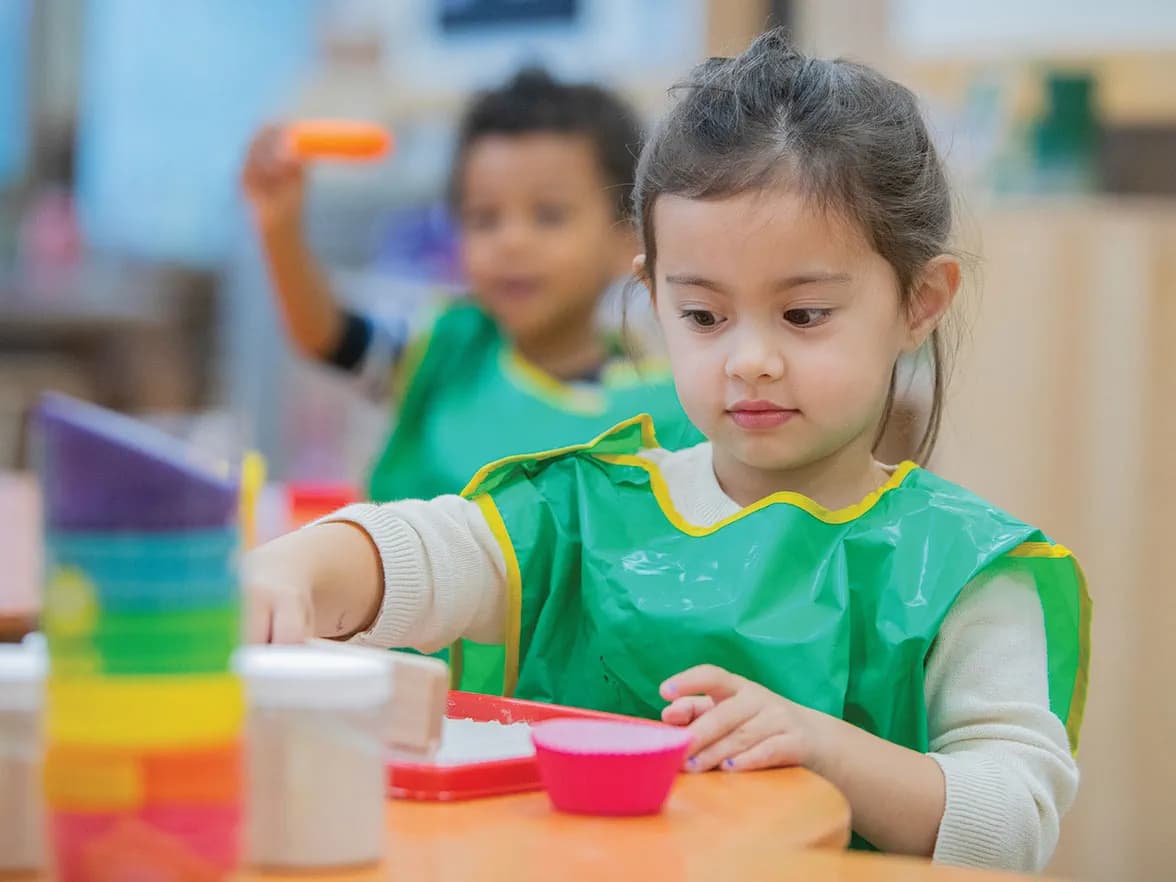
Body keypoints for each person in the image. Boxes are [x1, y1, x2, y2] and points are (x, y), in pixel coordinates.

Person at [243, 32, 1089, 871]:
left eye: (803, 315)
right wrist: (298, 572)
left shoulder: (965, 572)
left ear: (920, 301)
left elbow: (1013, 826)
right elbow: (427, 550)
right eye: (703, 317)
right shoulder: (583, 512)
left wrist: (822, 747)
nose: (748, 358)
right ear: (652, 296)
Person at [241, 67, 700, 506]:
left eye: (549, 215)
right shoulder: (445, 349)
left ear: (627, 238)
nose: (511, 242)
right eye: (484, 218)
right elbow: (327, 335)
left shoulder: (660, 402)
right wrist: (279, 228)